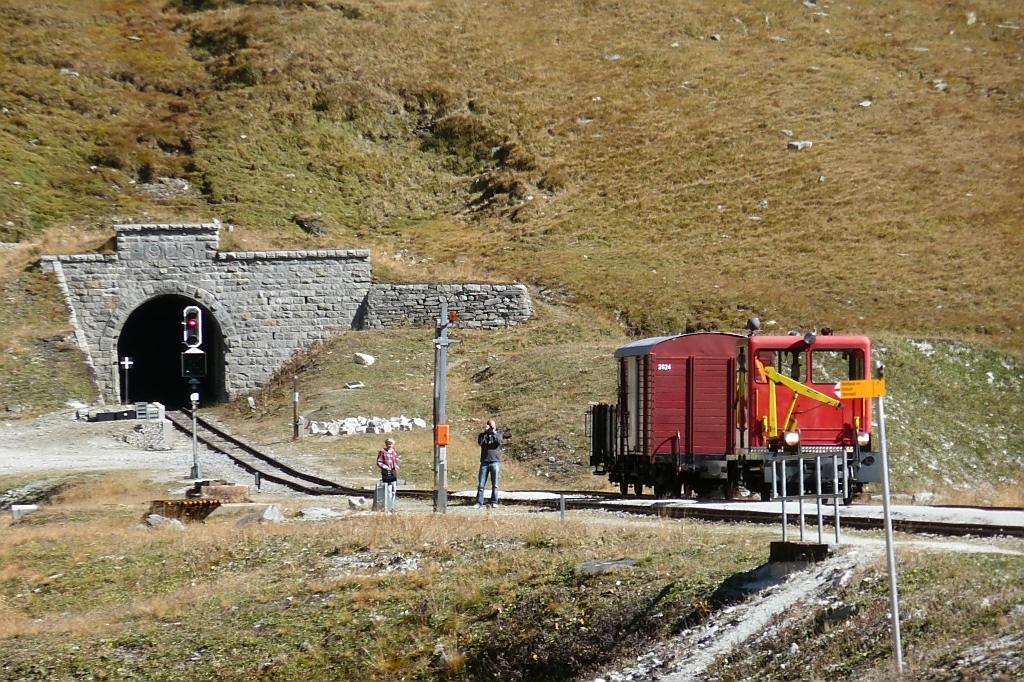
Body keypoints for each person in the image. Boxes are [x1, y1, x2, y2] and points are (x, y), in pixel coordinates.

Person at [475, 419, 502, 508]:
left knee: (495, 485)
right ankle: (479, 502)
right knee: (481, 484)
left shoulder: (498, 434)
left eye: (492, 426)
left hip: (495, 462)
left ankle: (494, 501)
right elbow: (480, 443)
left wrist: (493, 432)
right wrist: (486, 432)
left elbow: (499, 442)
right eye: (489, 426)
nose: (491, 428)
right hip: (484, 462)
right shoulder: (483, 435)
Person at [377, 437, 399, 512]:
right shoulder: (382, 451)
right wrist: (386, 467)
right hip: (386, 473)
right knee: (388, 490)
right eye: (388, 444)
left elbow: (396, 461)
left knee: (394, 490)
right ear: (386, 444)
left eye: (391, 444)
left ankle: (392, 507)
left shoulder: (394, 452)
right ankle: (388, 507)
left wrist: (396, 468)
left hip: (393, 473)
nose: (390, 445)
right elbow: (379, 462)